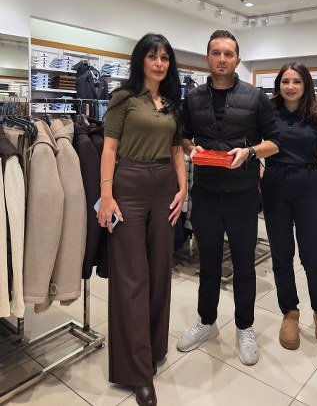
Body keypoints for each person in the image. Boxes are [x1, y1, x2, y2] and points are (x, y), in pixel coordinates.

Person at [177, 30, 281, 366]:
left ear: (237, 59)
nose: (222, 59)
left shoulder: (255, 96)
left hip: (242, 195)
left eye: (228, 54)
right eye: (216, 53)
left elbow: (275, 142)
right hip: (206, 193)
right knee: (207, 263)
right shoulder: (192, 98)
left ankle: (244, 327)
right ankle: (206, 321)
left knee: (244, 265)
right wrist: (191, 150)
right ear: (207, 57)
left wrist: (249, 152)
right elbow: (183, 138)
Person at [97, 33, 186, 406]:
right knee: (132, 277)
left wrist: (183, 189)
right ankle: (136, 373)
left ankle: (152, 348)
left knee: (160, 271)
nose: (159, 63)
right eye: (153, 56)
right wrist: (106, 195)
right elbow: (110, 148)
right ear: (140, 60)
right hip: (129, 186)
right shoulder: (123, 98)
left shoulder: (172, 103)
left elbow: (177, 150)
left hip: (165, 186)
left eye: (165, 57)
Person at [261, 61, 317, 351]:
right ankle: (290, 312)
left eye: (296, 81)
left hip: (309, 189)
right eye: (285, 81)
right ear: (278, 85)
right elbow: (255, 147)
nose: (290, 87)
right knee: (281, 255)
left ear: (306, 86)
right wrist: (259, 172)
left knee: (313, 257)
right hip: (275, 188)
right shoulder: (267, 114)